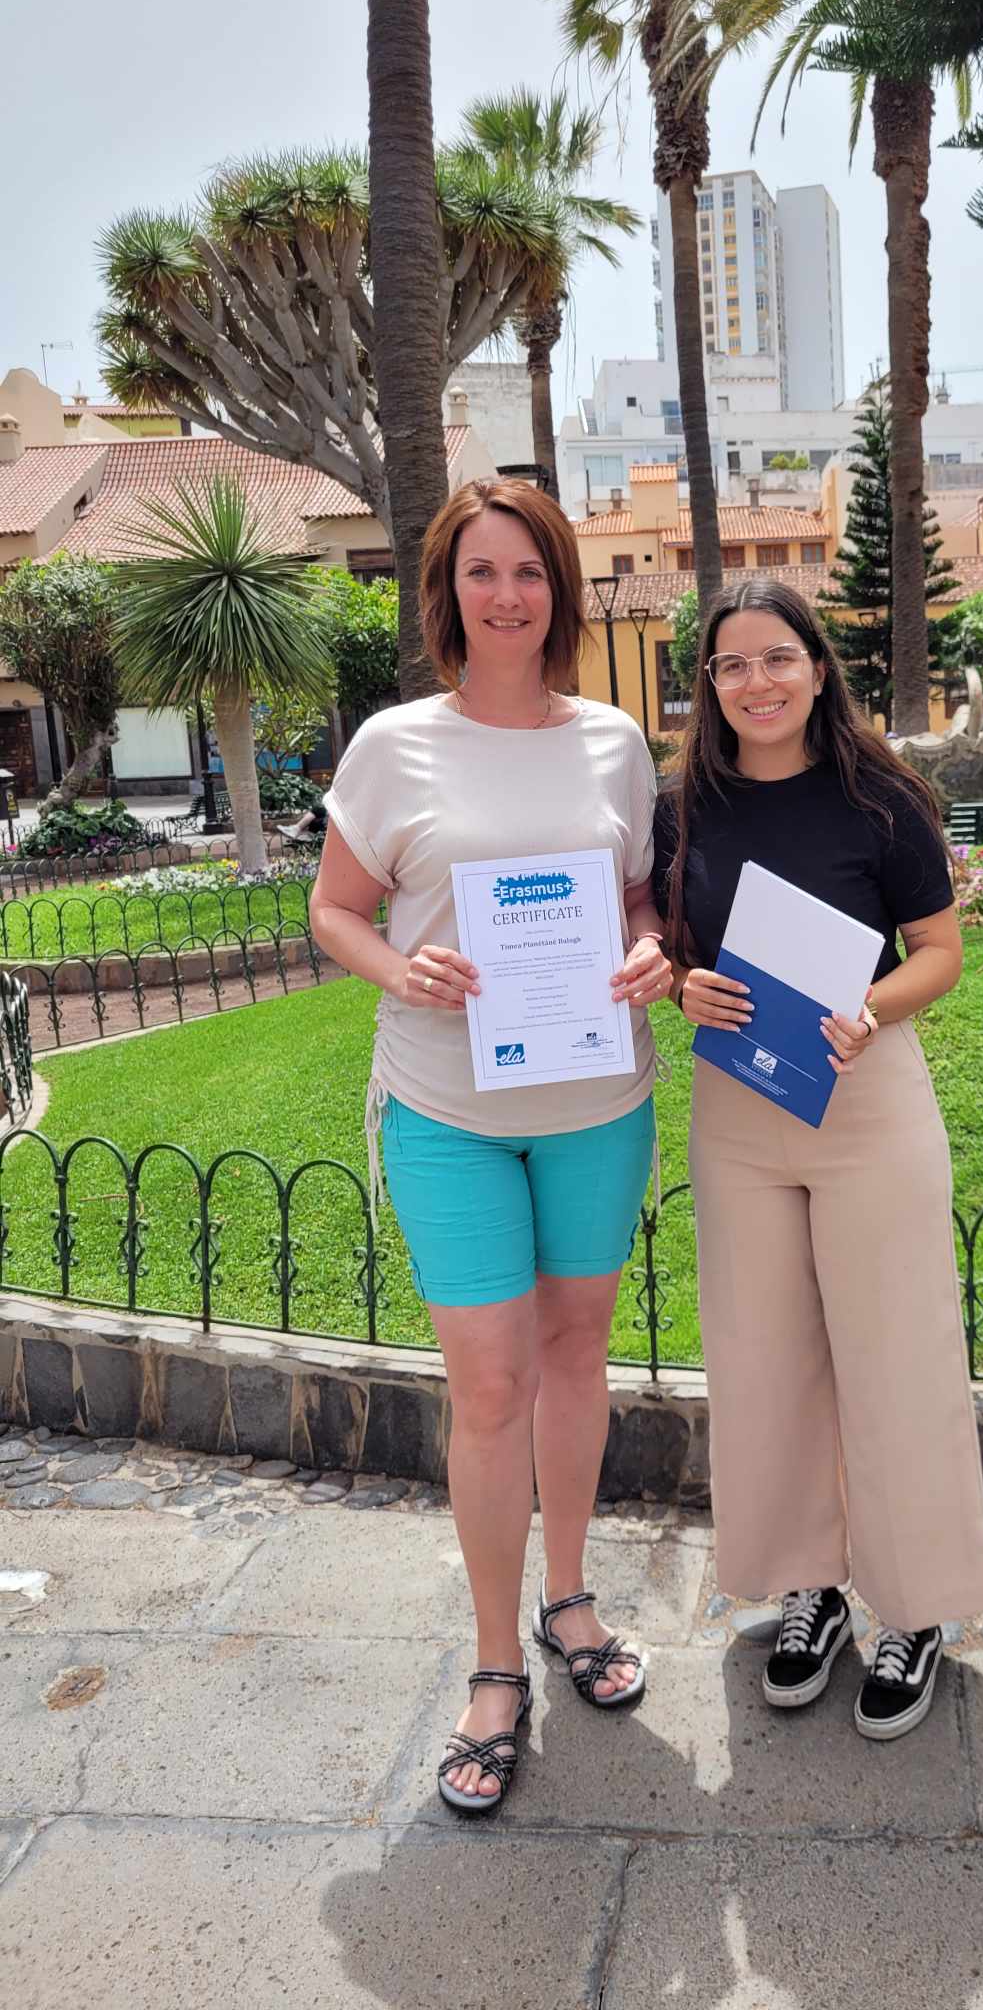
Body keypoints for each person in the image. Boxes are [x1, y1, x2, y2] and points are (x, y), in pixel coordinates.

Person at [309, 480, 674, 1815]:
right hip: (448, 1111)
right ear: (447, 593)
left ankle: (567, 1601)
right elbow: (335, 910)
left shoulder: (614, 743)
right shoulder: (394, 745)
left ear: (558, 590)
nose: (507, 595)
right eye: (482, 573)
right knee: (488, 1384)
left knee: (577, 1353)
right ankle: (493, 1664)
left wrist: (650, 948)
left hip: (596, 1105)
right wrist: (397, 969)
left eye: (529, 572)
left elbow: (637, 896)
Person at [653, 578, 983, 1742]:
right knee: (763, 1355)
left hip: (864, 1095)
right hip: (739, 1105)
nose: (755, 682)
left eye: (776, 658)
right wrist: (681, 981)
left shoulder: (880, 798)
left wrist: (872, 1006)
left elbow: (940, 951)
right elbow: (665, 939)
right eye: (731, 664)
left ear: (815, 666)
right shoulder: (682, 807)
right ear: (709, 683)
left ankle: (916, 1609)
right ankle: (810, 1590)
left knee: (897, 1353)